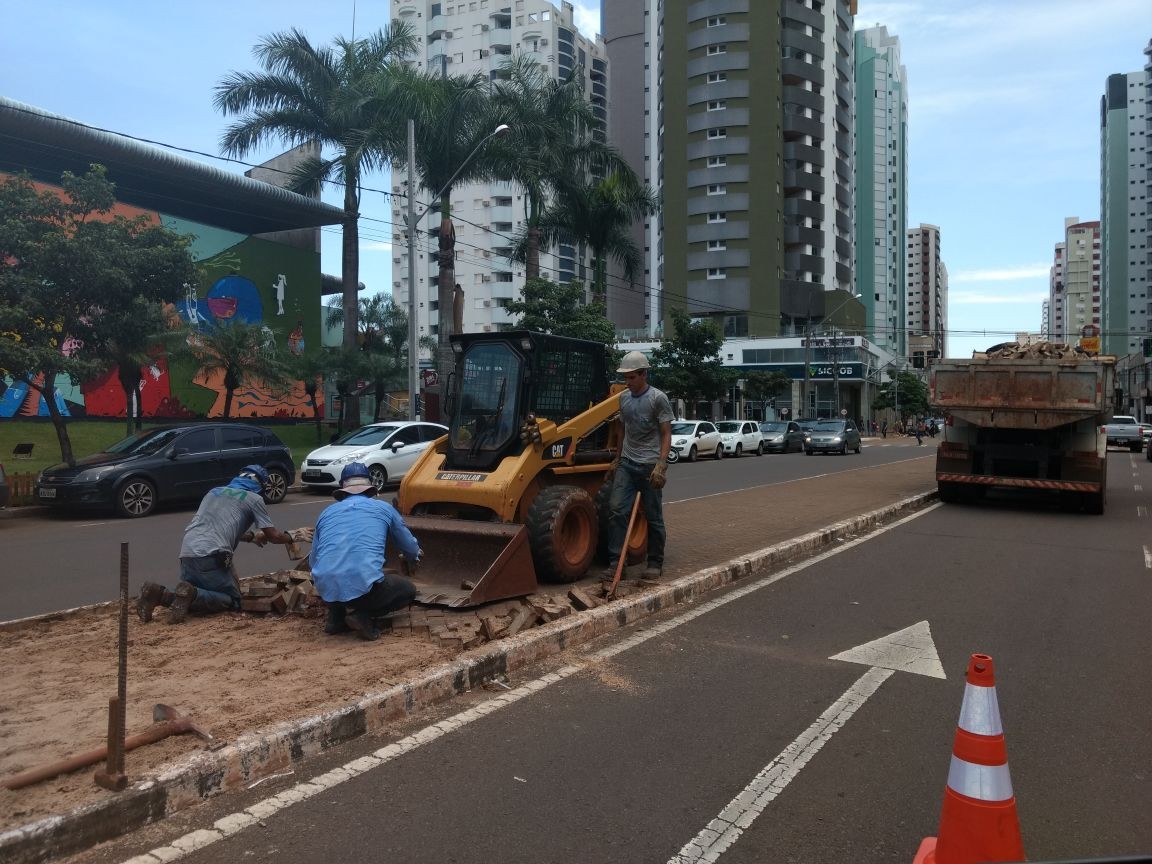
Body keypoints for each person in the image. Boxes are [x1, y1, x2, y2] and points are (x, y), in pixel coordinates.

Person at [138, 465, 294, 625]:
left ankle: (159, 594)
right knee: (233, 600)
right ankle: (192, 594)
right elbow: (274, 536)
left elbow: (219, 526)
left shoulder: (213, 492)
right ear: (261, 485)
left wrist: (251, 537)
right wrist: (293, 536)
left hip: (187, 552)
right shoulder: (254, 499)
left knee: (186, 593)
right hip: (213, 556)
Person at [309, 463, 421, 641]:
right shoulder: (384, 508)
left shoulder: (326, 513)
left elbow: (313, 560)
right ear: (370, 487)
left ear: (342, 488)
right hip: (365, 593)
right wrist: (413, 558)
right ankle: (362, 615)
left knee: (338, 577)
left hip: (326, 589)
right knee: (408, 591)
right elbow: (409, 546)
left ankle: (336, 619)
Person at [603, 351, 673, 580]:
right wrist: (617, 458)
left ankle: (655, 562)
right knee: (616, 510)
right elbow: (622, 430)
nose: (628, 382)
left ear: (644, 374)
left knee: (653, 516)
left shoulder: (658, 399)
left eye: (632, 377)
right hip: (627, 463)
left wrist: (661, 464)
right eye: (626, 377)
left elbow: (666, 433)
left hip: (649, 465)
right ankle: (616, 564)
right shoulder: (623, 399)